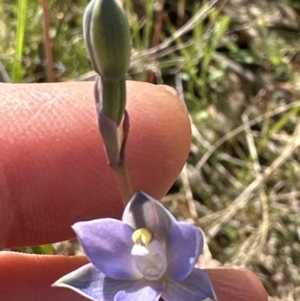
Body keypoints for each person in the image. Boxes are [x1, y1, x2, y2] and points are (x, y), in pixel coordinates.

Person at [0, 81, 268, 301]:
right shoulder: (124, 276)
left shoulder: (188, 260)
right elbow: (93, 253)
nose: (143, 248)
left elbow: (192, 258)